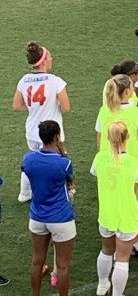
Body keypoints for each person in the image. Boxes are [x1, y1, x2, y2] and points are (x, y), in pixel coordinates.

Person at [95, 74, 138, 260]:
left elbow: (99, 142)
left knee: (112, 205)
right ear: (128, 92)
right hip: (132, 166)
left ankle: (111, 250)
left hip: (108, 165)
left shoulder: (104, 111)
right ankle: (135, 244)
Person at [91, 121, 138, 295]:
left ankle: (102, 285)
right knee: (122, 259)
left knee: (106, 250)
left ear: (107, 138)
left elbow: (96, 175)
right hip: (127, 215)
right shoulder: (134, 163)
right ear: (128, 137)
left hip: (107, 213)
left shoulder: (99, 158)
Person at [22, 121, 75, 296]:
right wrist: (63, 152)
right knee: (62, 265)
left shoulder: (28, 158)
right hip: (61, 218)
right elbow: (70, 181)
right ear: (57, 137)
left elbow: (29, 171)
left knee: (37, 261)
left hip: (37, 216)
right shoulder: (64, 163)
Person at [13, 41, 70, 203]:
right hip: (52, 132)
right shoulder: (55, 81)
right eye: (49, 56)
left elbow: (17, 105)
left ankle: (24, 193)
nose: (51, 59)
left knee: (31, 159)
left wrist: (35, 108)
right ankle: (55, 193)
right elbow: (66, 107)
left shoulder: (24, 80)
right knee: (54, 163)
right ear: (43, 61)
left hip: (32, 130)